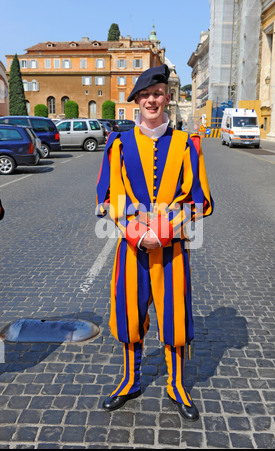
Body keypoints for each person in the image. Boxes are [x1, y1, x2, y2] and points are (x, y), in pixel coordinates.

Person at [96, 64, 213, 421]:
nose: (151, 100)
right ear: (136, 101)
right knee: (130, 313)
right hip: (132, 248)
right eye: (144, 95)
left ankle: (176, 385)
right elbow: (107, 195)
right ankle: (130, 380)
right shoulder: (118, 143)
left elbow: (200, 199)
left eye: (157, 94)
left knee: (175, 315)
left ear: (167, 97)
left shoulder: (186, 143)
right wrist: (136, 231)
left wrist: (163, 230)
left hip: (172, 247)